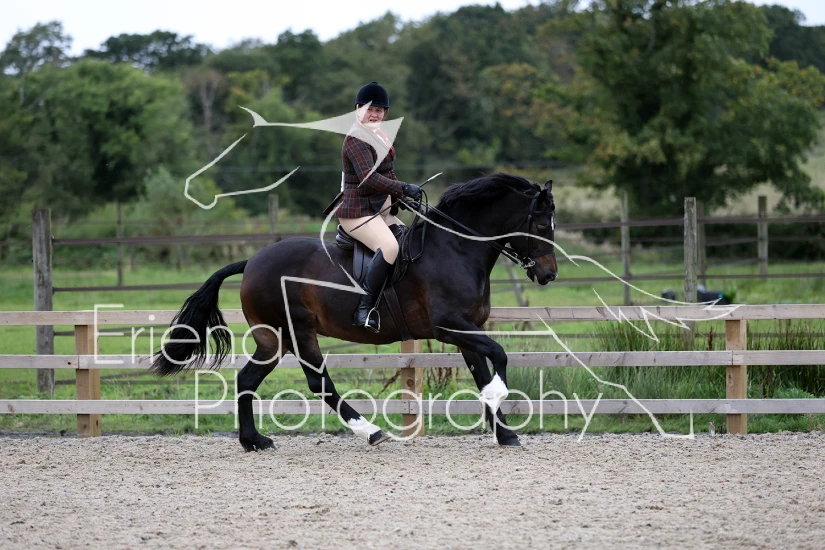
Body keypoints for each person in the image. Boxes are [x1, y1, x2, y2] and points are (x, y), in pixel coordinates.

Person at [322, 81, 422, 332]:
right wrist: (403, 188)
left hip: (379, 211)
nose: (374, 114)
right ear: (358, 109)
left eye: (379, 110)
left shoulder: (379, 137)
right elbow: (369, 178)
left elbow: (388, 174)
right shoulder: (355, 139)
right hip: (357, 213)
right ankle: (363, 311)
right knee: (389, 247)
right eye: (369, 109)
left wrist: (406, 200)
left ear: (385, 114)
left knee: (410, 242)